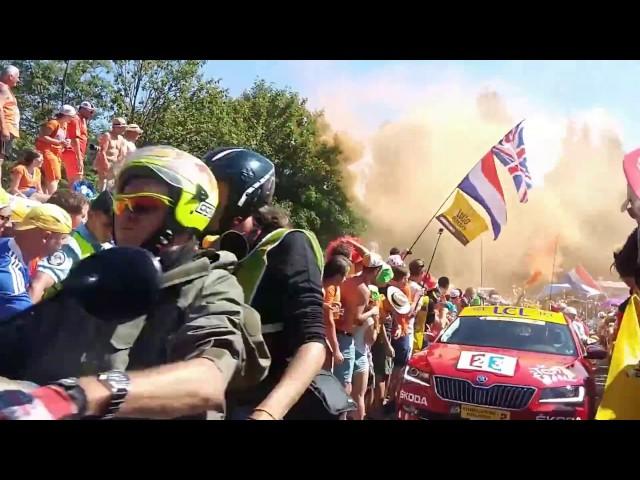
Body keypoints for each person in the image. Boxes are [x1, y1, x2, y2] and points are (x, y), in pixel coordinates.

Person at [0, 145, 263, 420]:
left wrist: (82, 395)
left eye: (143, 205)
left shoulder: (210, 285)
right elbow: (24, 339)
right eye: (121, 204)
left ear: (188, 212)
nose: (125, 216)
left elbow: (207, 380)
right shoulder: (103, 274)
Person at [204, 147, 328, 420]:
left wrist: (267, 414)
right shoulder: (205, 247)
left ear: (244, 196)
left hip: (260, 402)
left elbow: (313, 344)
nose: (206, 200)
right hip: (212, 398)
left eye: (216, 191)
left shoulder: (289, 245)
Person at [29, 191, 114, 303]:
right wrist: (23, 319)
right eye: (107, 225)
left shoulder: (106, 245)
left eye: (115, 225)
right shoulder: (71, 244)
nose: (111, 231)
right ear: (91, 215)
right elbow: (38, 285)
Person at [0, 204, 71, 321]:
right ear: (46, 236)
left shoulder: (6, 244)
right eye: (62, 238)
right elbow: (29, 325)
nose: (64, 245)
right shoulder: (11, 279)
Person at [35, 105, 76, 195]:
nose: (72, 119)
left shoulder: (64, 125)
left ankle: (45, 196)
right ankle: (53, 198)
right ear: (65, 115)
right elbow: (42, 136)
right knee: (54, 176)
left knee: (47, 177)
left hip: (57, 153)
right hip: (47, 151)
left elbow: (63, 138)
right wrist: (59, 142)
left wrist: (66, 141)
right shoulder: (53, 123)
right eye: (71, 117)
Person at [322, 254, 351, 371]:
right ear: (338, 275)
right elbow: (329, 323)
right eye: (345, 276)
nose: (345, 279)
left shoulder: (319, 284)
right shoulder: (323, 291)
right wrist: (336, 350)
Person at [61, 101, 95, 184]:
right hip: (73, 152)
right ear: (83, 109)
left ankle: (72, 196)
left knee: (76, 180)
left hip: (77, 153)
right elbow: (74, 139)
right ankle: (73, 196)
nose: (92, 113)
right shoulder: (76, 119)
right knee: (76, 180)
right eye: (90, 111)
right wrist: (79, 158)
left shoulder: (83, 120)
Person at [95, 117, 127, 192]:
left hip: (114, 166)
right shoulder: (107, 136)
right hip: (104, 164)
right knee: (103, 186)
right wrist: (106, 164)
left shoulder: (121, 139)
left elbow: (121, 154)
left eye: (123, 128)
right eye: (121, 128)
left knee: (111, 187)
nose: (123, 130)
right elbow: (102, 151)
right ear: (115, 127)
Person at [0, 65, 20, 182]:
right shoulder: (2, 88)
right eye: (17, 77)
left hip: (9, 129)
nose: (18, 80)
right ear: (10, 76)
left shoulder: (6, 89)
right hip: (4, 129)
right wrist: (4, 128)